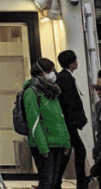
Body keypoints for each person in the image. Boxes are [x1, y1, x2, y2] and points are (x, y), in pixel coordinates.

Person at [23, 59, 71, 189]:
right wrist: (43, 147)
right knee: (47, 182)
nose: (53, 73)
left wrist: (66, 141)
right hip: (44, 145)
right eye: (50, 70)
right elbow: (34, 122)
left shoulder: (52, 91)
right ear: (40, 72)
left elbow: (60, 118)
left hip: (58, 143)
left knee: (55, 182)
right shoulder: (32, 92)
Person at [55, 49, 89, 189]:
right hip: (69, 123)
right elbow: (70, 101)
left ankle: (58, 181)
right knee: (78, 151)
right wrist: (75, 120)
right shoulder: (67, 78)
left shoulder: (62, 77)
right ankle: (80, 181)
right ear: (72, 63)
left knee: (69, 153)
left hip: (67, 122)